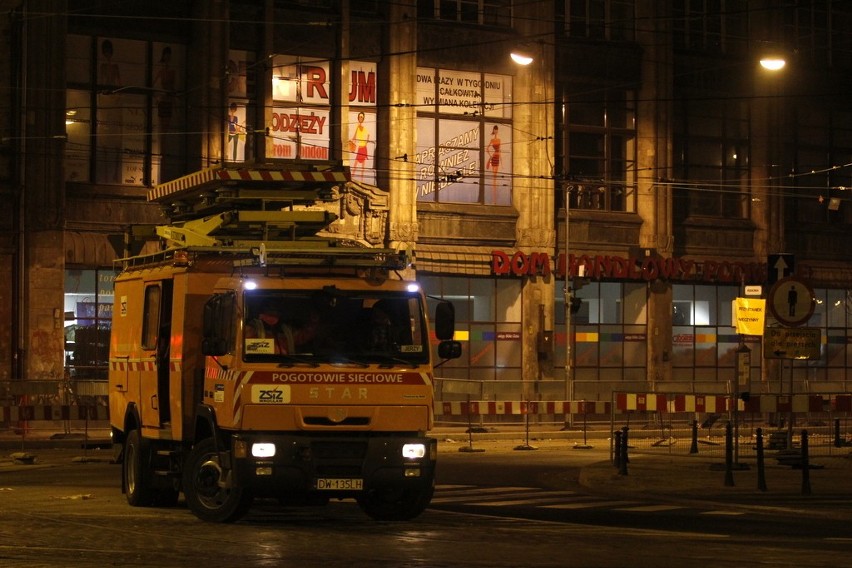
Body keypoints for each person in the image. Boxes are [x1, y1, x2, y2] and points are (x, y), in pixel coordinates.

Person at [350, 111, 370, 180]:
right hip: (360, 147)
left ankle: (362, 178)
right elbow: (355, 135)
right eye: (359, 117)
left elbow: (368, 135)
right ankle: (352, 176)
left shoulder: (364, 127)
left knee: (363, 164)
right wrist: (352, 140)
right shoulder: (357, 126)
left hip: (364, 147)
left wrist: (366, 143)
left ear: (363, 118)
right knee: (356, 162)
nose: (360, 118)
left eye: (361, 117)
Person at [486, 125, 501, 201]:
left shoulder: (499, 140)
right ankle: (494, 197)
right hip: (494, 157)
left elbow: (500, 151)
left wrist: (502, 162)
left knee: (495, 176)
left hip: (497, 158)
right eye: (495, 130)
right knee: (494, 177)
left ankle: (495, 196)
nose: (496, 131)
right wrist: (491, 156)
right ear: (494, 130)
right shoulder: (492, 140)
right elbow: (487, 149)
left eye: (496, 130)